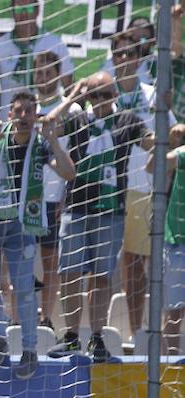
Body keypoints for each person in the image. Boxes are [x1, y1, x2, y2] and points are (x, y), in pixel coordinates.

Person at [46, 73, 155, 362]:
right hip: (76, 206)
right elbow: (48, 128)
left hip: (111, 211)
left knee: (102, 278)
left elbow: (151, 143)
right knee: (69, 272)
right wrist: (73, 98)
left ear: (116, 94)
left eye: (105, 94)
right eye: (94, 95)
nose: (101, 101)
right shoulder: (78, 118)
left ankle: (96, 337)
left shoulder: (129, 119)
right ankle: (70, 336)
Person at [0, 91, 75, 378]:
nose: (24, 116)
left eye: (30, 111)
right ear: (10, 115)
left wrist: (54, 139)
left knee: (25, 287)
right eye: (19, 111)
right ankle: (0, 339)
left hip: (21, 224)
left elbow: (68, 173)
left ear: (36, 115)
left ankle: (29, 350)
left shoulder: (41, 144)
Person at [111, 33, 175, 342]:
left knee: (155, 269)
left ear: (139, 59)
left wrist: (163, 184)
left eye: (129, 53)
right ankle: (136, 334)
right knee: (131, 270)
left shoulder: (153, 95)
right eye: (118, 54)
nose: (123, 59)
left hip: (145, 189)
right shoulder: (103, 95)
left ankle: (158, 334)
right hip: (110, 190)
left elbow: (171, 138)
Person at [34, 52, 79, 331]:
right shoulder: (25, 106)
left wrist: (67, 195)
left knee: (51, 264)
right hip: (28, 199)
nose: (43, 76)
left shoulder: (71, 111)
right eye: (38, 71)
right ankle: (19, 318)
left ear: (58, 73)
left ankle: (46, 319)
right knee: (23, 267)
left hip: (55, 198)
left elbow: (77, 155)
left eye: (48, 71)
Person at [0, 0, 73, 124]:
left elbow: (69, 88)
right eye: (18, 9)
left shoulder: (55, 44)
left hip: (48, 122)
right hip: (11, 125)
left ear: (37, 10)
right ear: (12, 11)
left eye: (29, 8)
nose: (24, 14)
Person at [148, 125, 185, 354]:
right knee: (173, 311)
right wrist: (168, 143)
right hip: (178, 241)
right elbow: (152, 166)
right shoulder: (182, 154)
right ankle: (171, 370)